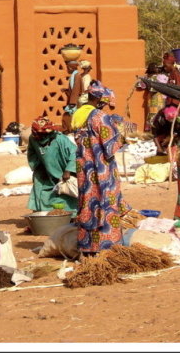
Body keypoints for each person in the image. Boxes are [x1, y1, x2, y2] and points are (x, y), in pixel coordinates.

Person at [71, 82, 131, 256]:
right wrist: (122, 134)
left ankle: (87, 246)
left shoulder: (79, 115)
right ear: (98, 99)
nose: (104, 106)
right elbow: (111, 145)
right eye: (104, 103)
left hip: (84, 168)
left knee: (87, 203)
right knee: (105, 202)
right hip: (101, 169)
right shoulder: (99, 116)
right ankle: (106, 245)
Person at [26, 117, 77, 214]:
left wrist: (68, 170)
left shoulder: (60, 139)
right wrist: (37, 165)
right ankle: (42, 216)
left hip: (62, 172)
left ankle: (70, 217)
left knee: (65, 193)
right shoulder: (33, 139)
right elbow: (31, 152)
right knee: (40, 191)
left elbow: (75, 153)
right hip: (44, 172)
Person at [62, 60, 82, 132]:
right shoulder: (74, 75)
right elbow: (73, 89)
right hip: (73, 100)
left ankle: (69, 131)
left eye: (68, 68)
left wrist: (72, 102)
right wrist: (66, 90)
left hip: (74, 101)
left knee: (67, 117)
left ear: (71, 68)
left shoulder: (76, 76)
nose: (67, 69)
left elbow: (76, 90)